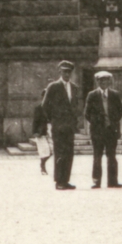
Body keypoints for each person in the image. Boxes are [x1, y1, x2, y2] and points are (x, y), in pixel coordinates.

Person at [40, 60, 80, 190]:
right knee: (59, 153)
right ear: (60, 72)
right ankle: (59, 181)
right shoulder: (53, 86)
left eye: (69, 72)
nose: (67, 74)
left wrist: (74, 121)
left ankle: (66, 180)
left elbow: (75, 106)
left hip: (70, 127)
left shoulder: (74, 88)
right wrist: (53, 119)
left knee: (69, 153)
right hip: (58, 126)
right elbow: (44, 106)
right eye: (64, 71)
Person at [84, 70, 122, 189]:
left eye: (106, 80)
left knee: (111, 156)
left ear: (109, 81)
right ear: (97, 81)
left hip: (112, 131)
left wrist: (112, 122)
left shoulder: (115, 94)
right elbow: (87, 113)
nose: (104, 82)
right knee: (97, 156)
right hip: (98, 131)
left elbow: (120, 111)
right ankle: (96, 181)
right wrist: (97, 124)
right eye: (101, 80)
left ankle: (113, 181)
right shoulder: (92, 95)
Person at [31, 98, 52, 176]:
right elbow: (35, 120)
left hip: (51, 130)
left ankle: (42, 163)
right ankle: (43, 166)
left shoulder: (52, 107)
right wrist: (35, 132)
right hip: (41, 132)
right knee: (45, 150)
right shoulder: (39, 108)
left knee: (52, 150)